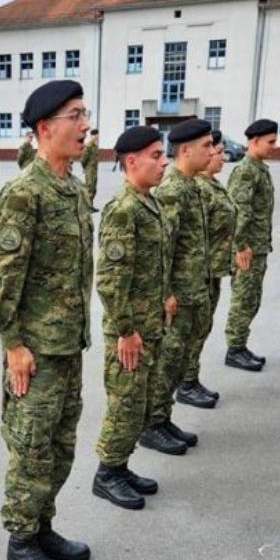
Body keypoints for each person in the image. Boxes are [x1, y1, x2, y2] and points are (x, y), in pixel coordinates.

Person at [0, 80, 93, 560]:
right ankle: (20, 540)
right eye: (76, 115)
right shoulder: (24, 193)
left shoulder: (72, 188)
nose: (85, 124)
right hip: (37, 351)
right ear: (45, 128)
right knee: (31, 448)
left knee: (62, 445)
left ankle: (43, 526)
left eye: (86, 113)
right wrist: (14, 344)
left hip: (69, 345)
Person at [91, 125, 172, 511]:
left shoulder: (149, 203)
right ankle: (107, 473)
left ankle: (120, 466)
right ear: (132, 161)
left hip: (149, 326)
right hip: (130, 332)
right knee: (125, 403)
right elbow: (109, 279)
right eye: (156, 156)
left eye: (163, 154)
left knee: (140, 402)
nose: (164, 162)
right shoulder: (124, 210)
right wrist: (125, 331)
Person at [140, 118, 216, 459]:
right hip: (178, 296)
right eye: (206, 146)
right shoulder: (172, 190)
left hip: (193, 289)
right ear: (186, 150)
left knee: (180, 358)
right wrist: (167, 293)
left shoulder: (191, 186)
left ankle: (164, 417)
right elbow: (163, 248)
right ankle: (152, 425)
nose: (213, 151)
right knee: (168, 361)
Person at [185, 130, 237, 402]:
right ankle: (187, 382)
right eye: (217, 152)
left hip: (213, 269)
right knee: (193, 332)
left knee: (202, 329)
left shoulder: (211, 185)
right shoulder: (200, 189)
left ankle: (191, 378)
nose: (221, 158)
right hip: (201, 271)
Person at [224, 118, 279, 372]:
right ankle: (234, 349)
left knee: (252, 298)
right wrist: (240, 245)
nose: (274, 146)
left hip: (258, 246)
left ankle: (240, 344)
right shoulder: (246, 170)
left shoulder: (259, 168)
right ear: (255, 141)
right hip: (247, 248)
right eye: (271, 141)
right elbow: (238, 211)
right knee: (243, 298)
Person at [79, 129, 100, 211]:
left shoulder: (95, 146)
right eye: (97, 135)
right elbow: (83, 159)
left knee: (93, 189)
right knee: (89, 188)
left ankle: (90, 205)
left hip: (94, 170)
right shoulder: (89, 146)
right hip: (90, 171)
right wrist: (85, 168)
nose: (98, 137)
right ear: (93, 136)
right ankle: (87, 206)